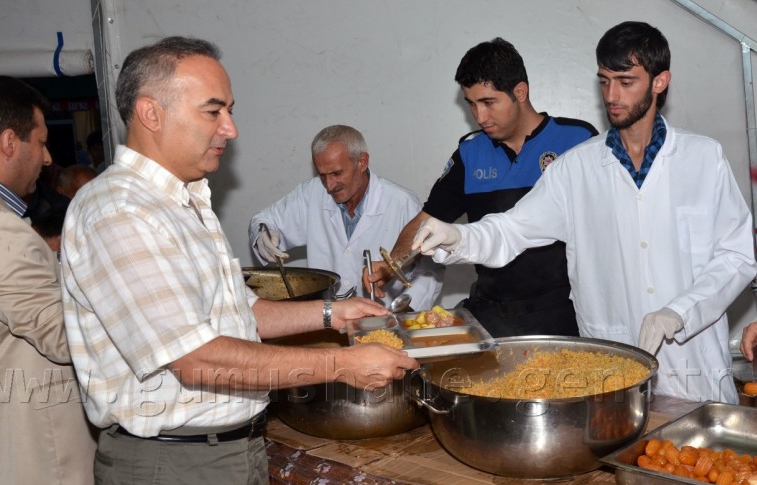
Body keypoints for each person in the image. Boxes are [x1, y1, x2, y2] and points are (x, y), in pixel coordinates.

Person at [60, 36, 419, 485]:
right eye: (213, 111)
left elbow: (242, 314)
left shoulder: (186, 203)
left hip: (237, 452)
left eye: (229, 110)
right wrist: (341, 364)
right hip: (175, 470)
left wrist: (334, 313)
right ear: (151, 113)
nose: (230, 128)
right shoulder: (120, 211)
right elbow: (197, 359)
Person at [412, 21, 757, 404]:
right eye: (604, 81)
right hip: (613, 369)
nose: (612, 95)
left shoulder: (703, 158)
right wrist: (459, 237)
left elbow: (737, 256)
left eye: (626, 82)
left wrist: (680, 312)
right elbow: (512, 229)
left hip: (695, 365)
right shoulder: (575, 168)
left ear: (660, 82)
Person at [364, 38, 597, 336]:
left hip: (562, 314)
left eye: (488, 102)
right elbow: (427, 220)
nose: (479, 116)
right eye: (471, 104)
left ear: (520, 92)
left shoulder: (576, 140)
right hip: (490, 314)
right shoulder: (470, 153)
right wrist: (391, 265)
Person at [0, 76, 97, 485]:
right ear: (7, 142)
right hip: (33, 480)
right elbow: (63, 335)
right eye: (40, 142)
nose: (47, 157)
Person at [248, 124, 443, 309]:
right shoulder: (311, 194)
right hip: (329, 319)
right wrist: (263, 235)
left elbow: (430, 269)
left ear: (362, 162)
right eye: (322, 175)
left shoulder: (402, 202)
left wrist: (406, 309)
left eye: (337, 173)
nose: (329, 185)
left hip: (385, 319)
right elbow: (264, 220)